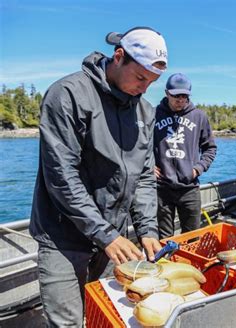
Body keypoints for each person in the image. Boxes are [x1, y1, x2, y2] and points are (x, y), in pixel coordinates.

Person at [29, 27, 167, 326]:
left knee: (106, 315)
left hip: (112, 240)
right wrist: (106, 235)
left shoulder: (144, 111)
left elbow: (143, 175)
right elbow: (62, 176)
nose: (144, 88)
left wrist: (147, 230)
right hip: (63, 237)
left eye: (152, 82)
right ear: (119, 57)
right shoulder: (67, 95)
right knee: (68, 323)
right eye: (140, 77)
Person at [153, 73, 217, 238]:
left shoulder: (199, 117)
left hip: (189, 189)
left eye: (184, 96)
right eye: (176, 96)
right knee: (164, 238)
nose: (180, 100)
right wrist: (148, 166)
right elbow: (140, 147)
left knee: (192, 237)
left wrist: (197, 169)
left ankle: (188, 264)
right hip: (162, 189)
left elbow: (210, 148)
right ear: (167, 93)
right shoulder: (153, 115)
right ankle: (167, 263)